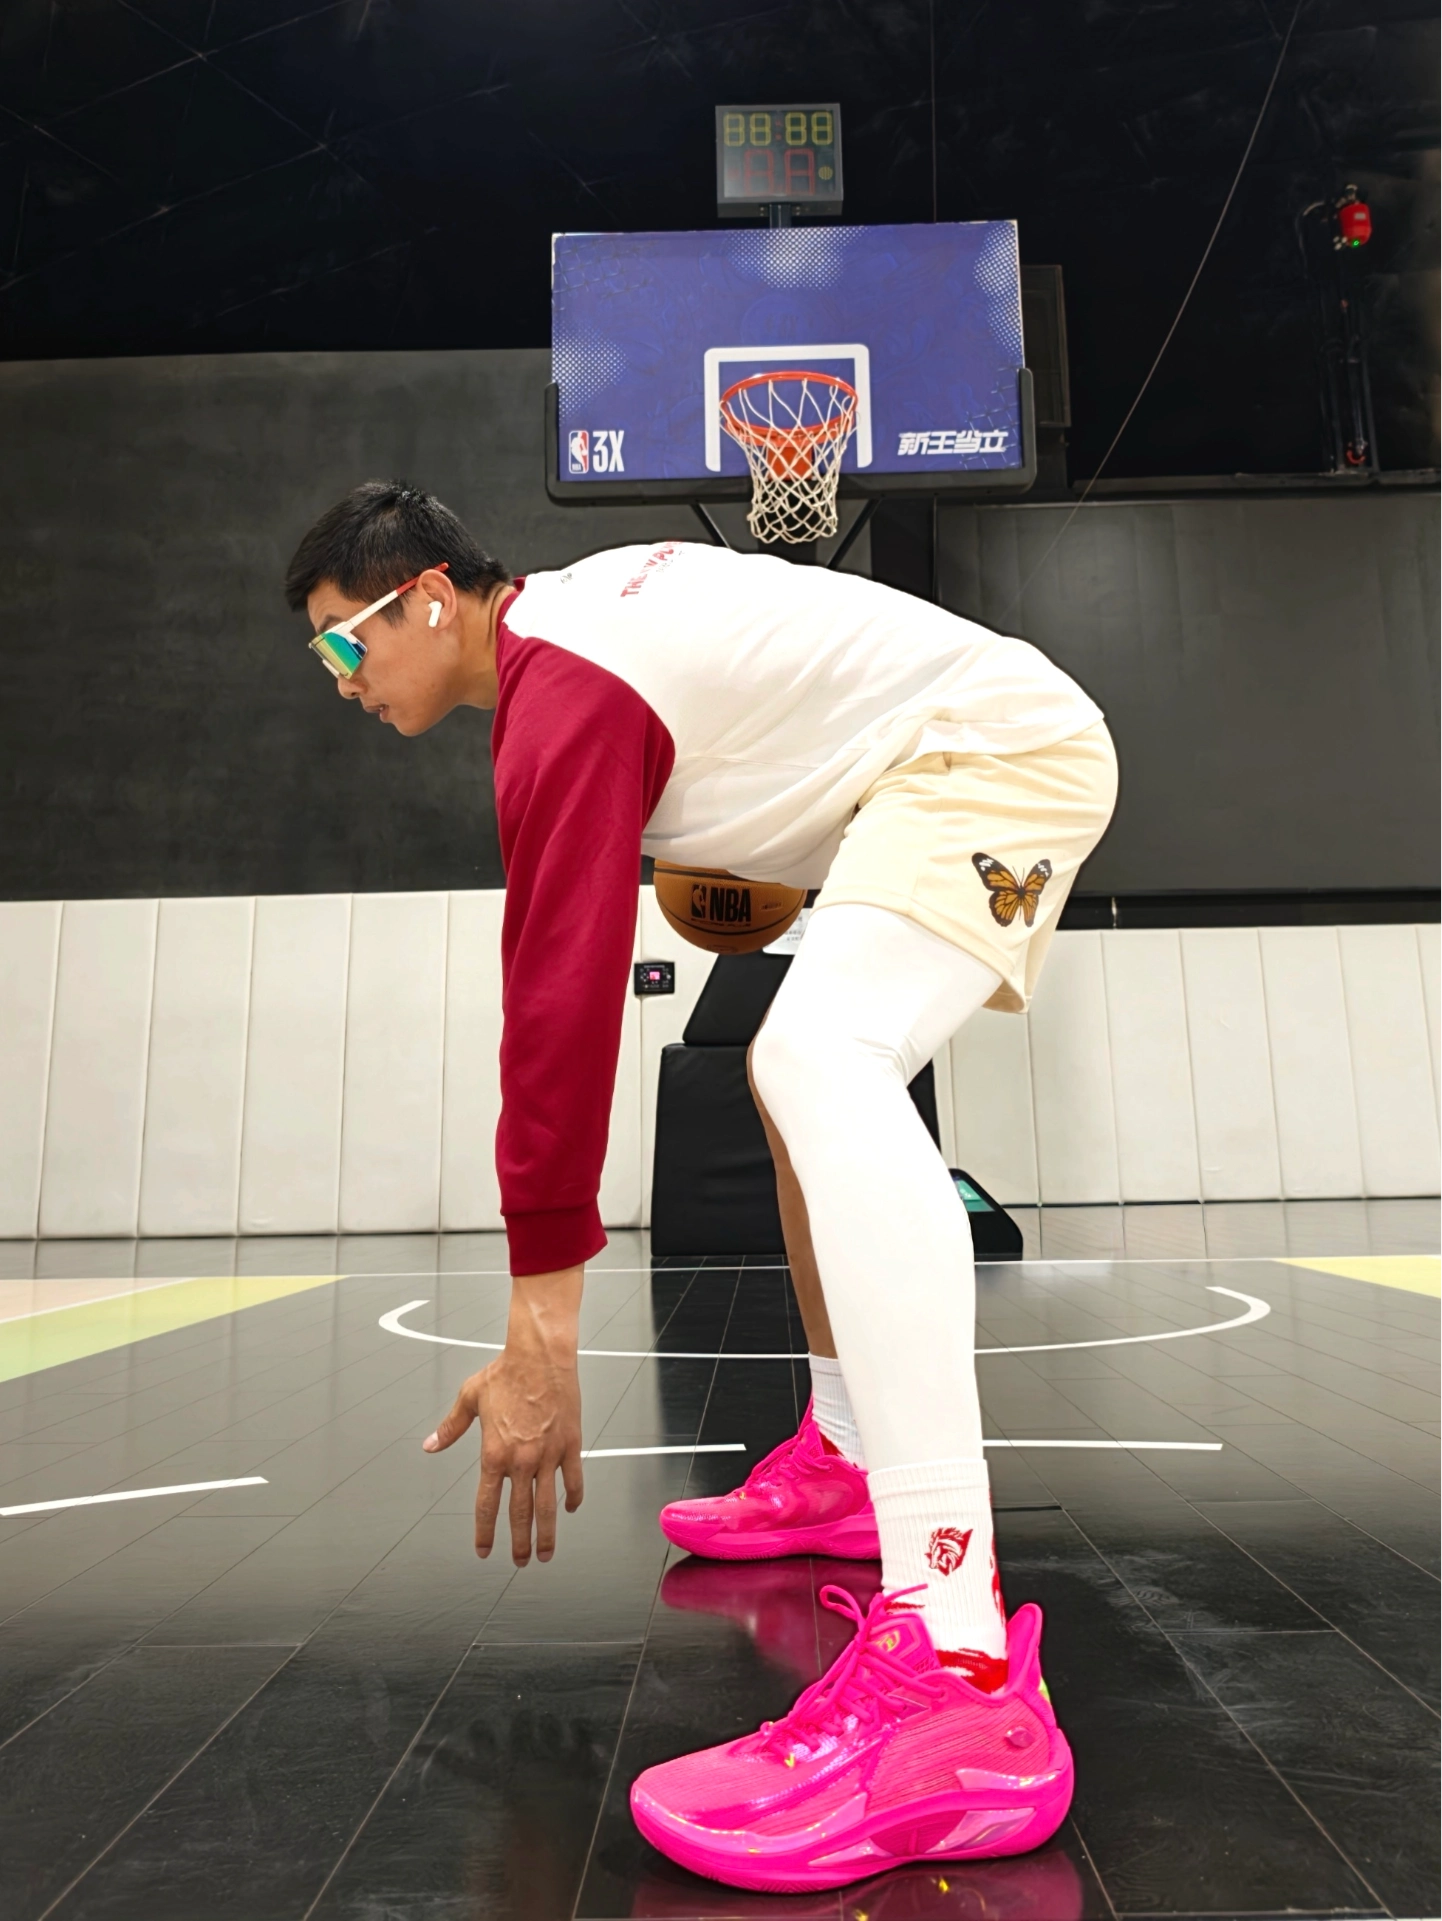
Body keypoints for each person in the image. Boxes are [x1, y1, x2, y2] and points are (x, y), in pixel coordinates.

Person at [285, 480, 1117, 1892]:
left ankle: (960, 1667)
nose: (341, 682)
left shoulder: (563, 696)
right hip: (902, 782)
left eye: (341, 644)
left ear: (424, 597)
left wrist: (541, 1330)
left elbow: (555, 1007)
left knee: (818, 1056)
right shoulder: (579, 628)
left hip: (996, 753)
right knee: (793, 1081)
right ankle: (847, 1455)